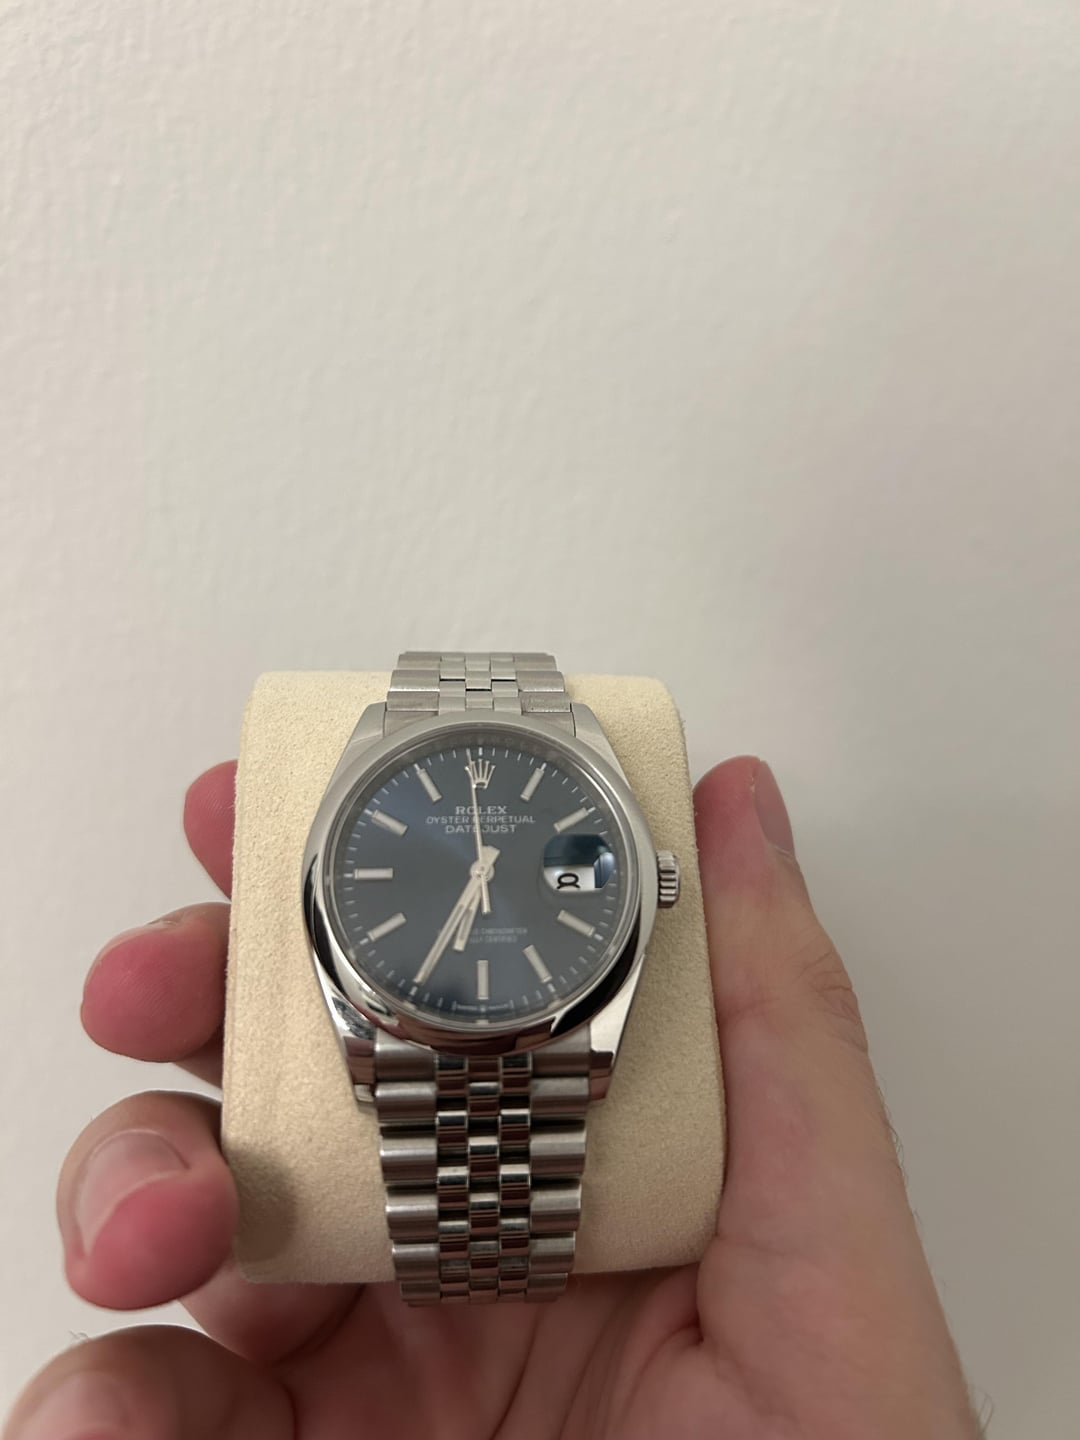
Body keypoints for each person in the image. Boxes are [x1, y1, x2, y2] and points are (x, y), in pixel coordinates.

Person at [3, 756, 982, 1439]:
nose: (478, 869)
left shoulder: (610, 863)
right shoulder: (366, 864)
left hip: (566, 1036)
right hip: (394, 1029)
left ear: (657, 883)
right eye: (466, 865)